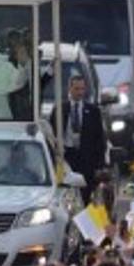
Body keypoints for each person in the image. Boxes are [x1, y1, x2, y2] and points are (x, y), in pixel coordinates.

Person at [52, 74, 106, 204]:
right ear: (69, 89)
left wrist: (99, 165)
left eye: (82, 89)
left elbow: (99, 139)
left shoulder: (93, 111)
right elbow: (52, 135)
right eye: (77, 89)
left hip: (86, 160)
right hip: (67, 158)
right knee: (66, 195)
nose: (80, 93)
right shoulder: (60, 109)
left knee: (84, 196)